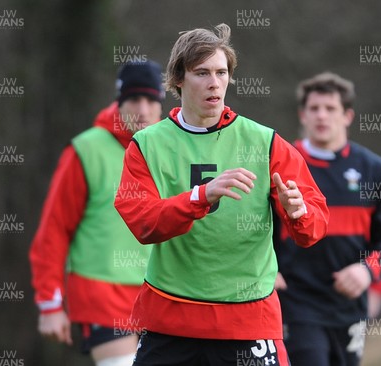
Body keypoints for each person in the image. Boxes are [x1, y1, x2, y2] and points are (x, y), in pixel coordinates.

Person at [113, 24, 329, 366]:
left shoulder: (265, 142)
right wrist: (200, 196)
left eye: (221, 72)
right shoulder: (147, 145)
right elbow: (144, 223)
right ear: (178, 79)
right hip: (171, 320)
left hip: (246, 322)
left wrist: (299, 213)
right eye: (202, 73)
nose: (214, 82)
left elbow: (314, 228)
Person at [29, 60, 165, 366]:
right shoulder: (85, 150)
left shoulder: (173, 149)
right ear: (119, 103)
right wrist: (50, 304)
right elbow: (54, 229)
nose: (142, 110)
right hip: (103, 296)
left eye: (150, 100)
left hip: (163, 295)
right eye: (133, 100)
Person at [273, 72, 381, 366]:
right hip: (295, 303)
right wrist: (265, 270)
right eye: (314, 109)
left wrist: (367, 271)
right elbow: (253, 227)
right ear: (302, 115)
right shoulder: (282, 165)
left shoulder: (374, 170)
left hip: (348, 307)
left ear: (348, 116)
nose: (322, 116)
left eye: (330, 108)